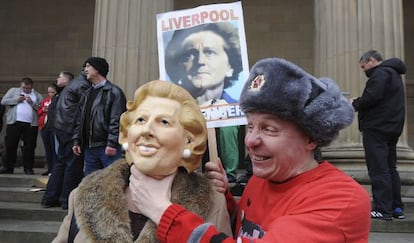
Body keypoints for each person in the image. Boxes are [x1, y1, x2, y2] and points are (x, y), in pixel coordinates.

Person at [128, 58, 371, 242]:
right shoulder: (262, 179)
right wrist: (225, 200)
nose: (251, 141)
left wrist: (162, 211)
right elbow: (247, 232)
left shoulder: (341, 200)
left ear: (311, 139)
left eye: (270, 129)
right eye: (251, 126)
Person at [52, 80, 232, 242]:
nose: (146, 130)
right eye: (140, 120)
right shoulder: (83, 195)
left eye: (163, 122)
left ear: (189, 141)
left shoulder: (213, 203)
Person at [165, 22, 243, 183]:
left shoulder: (235, 105)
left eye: (210, 52)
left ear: (230, 66)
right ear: (180, 67)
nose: (200, 61)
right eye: (189, 55)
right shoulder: (175, 106)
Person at [351, 50, 406, 221]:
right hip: (392, 127)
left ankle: (382, 209)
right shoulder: (394, 74)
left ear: (372, 60)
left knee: (378, 168)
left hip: (377, 128)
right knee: (390, 168)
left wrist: (354, 103)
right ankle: (396, 207)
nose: (364, 70)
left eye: (364, 66)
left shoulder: (380, 73)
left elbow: (372, 97)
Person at [42, 68, 88, 209]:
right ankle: (65, 199)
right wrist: (77, 136)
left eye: (59, 76)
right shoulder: (81, 85)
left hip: (61, 130)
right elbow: (83, 112)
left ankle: (50, 198)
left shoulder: (67, 90)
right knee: (71, 165)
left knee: (61, 163)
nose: (57, 79)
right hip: (69, 131)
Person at [72, 57, 127, 175]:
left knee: (111, 181)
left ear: (97, 69)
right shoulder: (87, 93)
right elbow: (80, 120)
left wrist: (112, 143)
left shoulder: (114, 92)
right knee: (91, 183)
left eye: (88, 66)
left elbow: (117, 119)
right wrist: (77, 141)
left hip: (106, 147)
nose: (84, 70)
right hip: (89, 147)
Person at [0, 77, 43, 174]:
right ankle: (8, 167)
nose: (26, 90)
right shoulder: (13, 91)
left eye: (28, 88)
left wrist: (32, 103)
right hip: (14, 122)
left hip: (31, 124)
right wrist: (17, 100)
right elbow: (3, 101)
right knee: (10, 144)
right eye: (24, 88)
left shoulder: (37, 95)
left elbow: (41, 108)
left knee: (29, 146)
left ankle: (28, 168)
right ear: (21, 85)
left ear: (32, 87)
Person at [37, 83, 58, 176]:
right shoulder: (46, 100)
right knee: (48, 148)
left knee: (54, 149)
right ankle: (49, 168)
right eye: (49, 92)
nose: (50, 94)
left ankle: (54, 169)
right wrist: (43, 110)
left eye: (52, 92)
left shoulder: (58, 100)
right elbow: (39, 111)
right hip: (44, 126)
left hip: (53, 127)